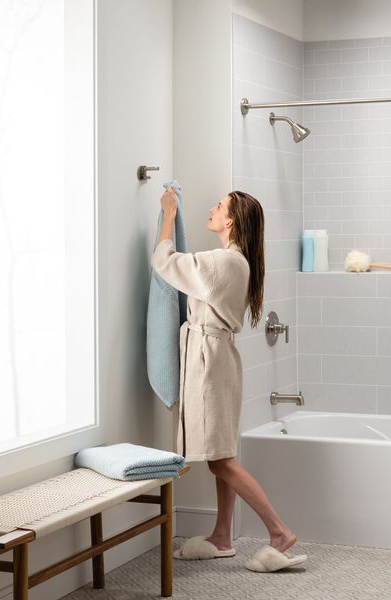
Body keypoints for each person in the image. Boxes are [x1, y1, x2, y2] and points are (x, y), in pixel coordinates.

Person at [151, 187, 307, 573]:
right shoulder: (235, 262)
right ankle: (222, 536)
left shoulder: (224, 262)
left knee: (220, 461)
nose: (211, 209)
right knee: (222, 454)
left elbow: (165, 262)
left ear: (231, 220)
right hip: (217, 359)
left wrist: (168, 214)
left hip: (210, 363)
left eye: (218, 206)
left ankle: (279, 531)